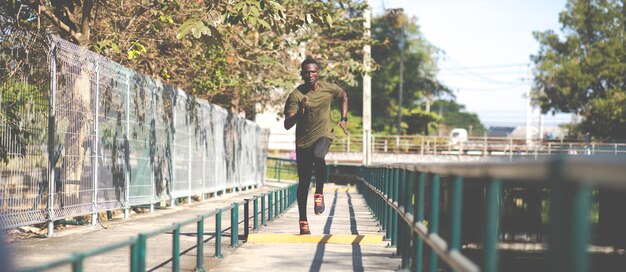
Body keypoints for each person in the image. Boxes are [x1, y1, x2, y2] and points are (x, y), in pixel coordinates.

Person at [283, 58, 349, 234]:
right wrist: (299, 114)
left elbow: (343, 95)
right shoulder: (295, 96)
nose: (310, 75)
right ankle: (303, 220)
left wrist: (343, 119)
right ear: (302, 74)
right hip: (303, 142)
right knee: (303, 182)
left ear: (318, 73)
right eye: (306, 72)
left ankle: (319, 193)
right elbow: (287, 124)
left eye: (313, 72)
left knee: (319, 156)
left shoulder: (329, 88)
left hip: (324, 134)